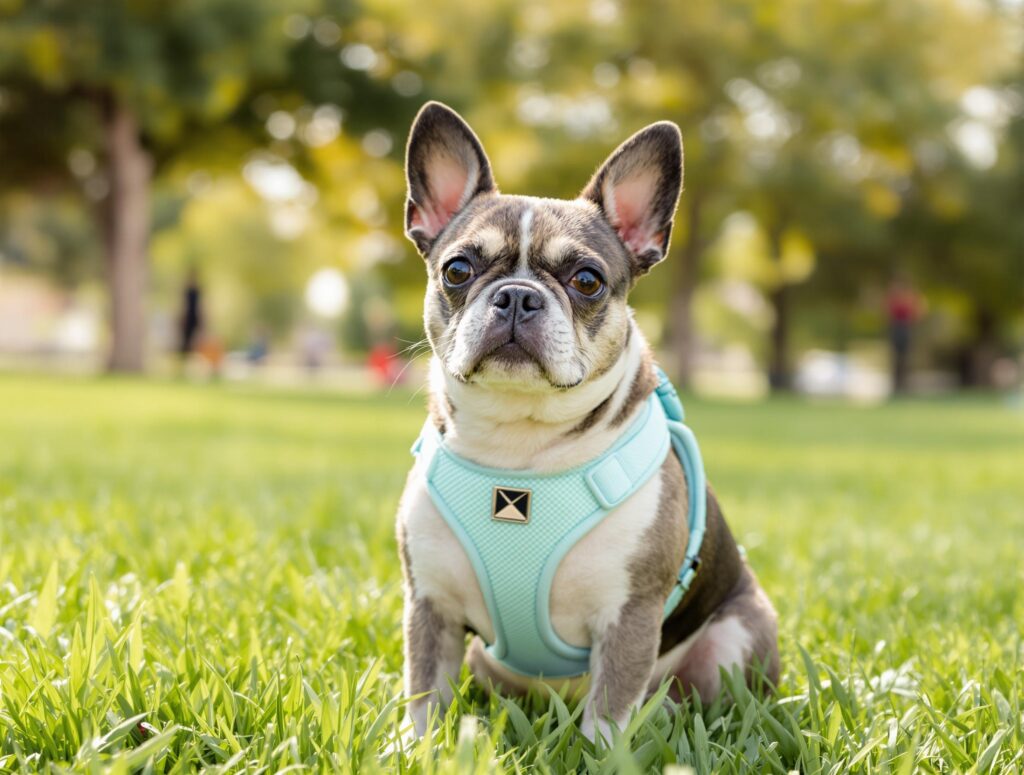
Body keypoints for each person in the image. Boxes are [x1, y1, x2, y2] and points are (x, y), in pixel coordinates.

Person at [887, 276, 920, 395]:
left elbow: (917, 313)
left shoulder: (910, 298)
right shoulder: (893, 298)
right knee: (896, 358)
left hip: (905, 328)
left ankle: (906, 385)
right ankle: (897, 385)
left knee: (906, 358)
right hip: (897, 328)